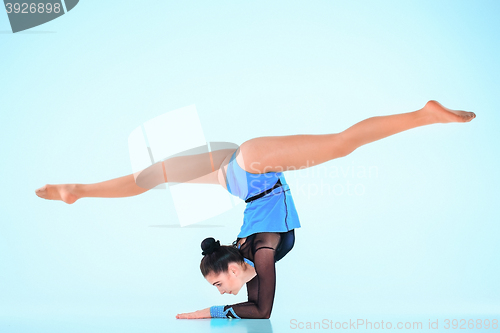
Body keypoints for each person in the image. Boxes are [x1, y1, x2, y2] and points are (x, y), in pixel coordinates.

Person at [34, 100, 476, 319]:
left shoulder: (260, 252)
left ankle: (424, 114)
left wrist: (208, 315)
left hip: (252, 166)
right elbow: (256, 306)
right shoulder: (253, 251)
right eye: (216, 286)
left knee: (341, 145)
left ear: (231, 265)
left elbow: (260, 309)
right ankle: (79, 191)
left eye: (217, 282)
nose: (221, 290)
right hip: (238, 178)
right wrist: (210, 313)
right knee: (155, 178)